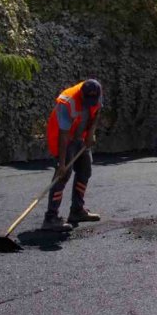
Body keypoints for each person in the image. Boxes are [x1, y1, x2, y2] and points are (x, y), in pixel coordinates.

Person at [43, 79, 103, 231]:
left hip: (79, 137)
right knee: (63, 174)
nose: (90, 102)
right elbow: (63, 135)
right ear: (81, 94)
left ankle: (77, 211)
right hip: (62, 138)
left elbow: (96, 112)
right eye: (87, 99)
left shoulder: (97, 94)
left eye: (93, 99)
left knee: (85, 170)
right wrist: (62, 164)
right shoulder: (67, 102)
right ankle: (51, 217)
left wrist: (91, 133)